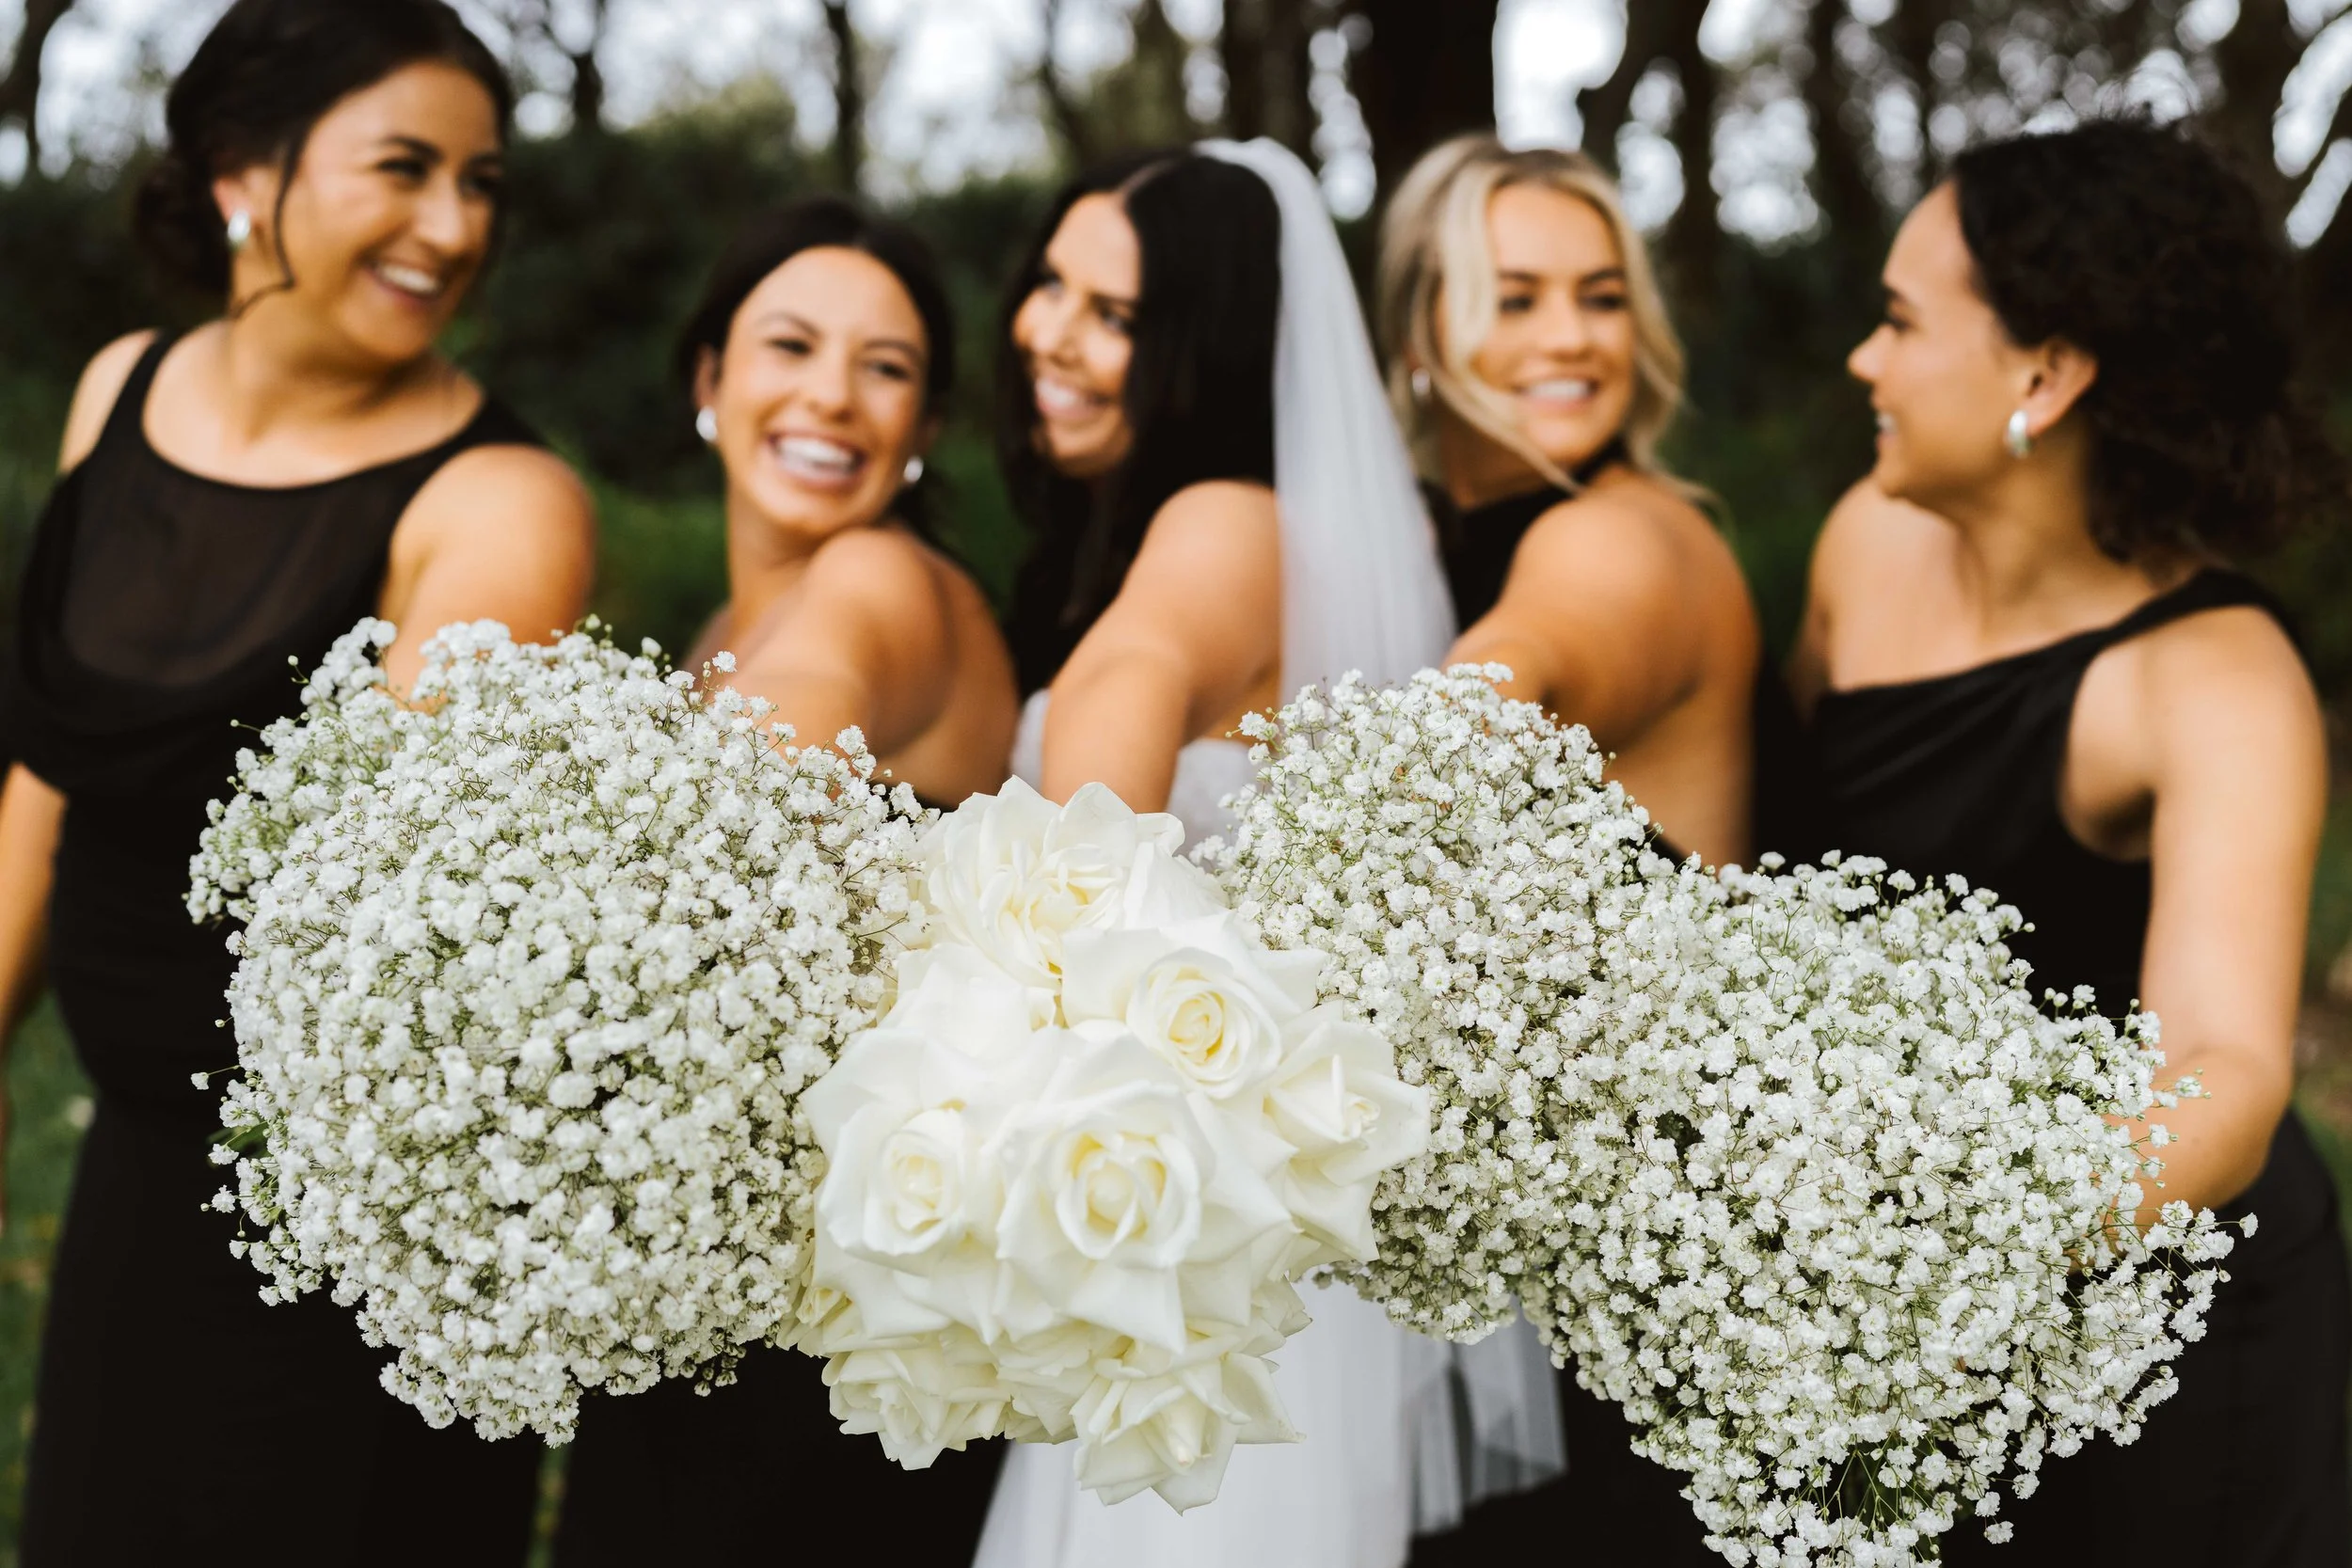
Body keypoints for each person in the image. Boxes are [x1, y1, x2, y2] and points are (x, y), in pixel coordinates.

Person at [0, 0, 596, 1560]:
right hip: (132, 1173)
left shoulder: (499, 505)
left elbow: (386, 959)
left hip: (329, 1231)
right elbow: (48, 766)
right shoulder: (117, 389)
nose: (454, 225)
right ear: (241, 174)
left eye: (481, 182)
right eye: (405, 168)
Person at [974, 137, 1561, 1568]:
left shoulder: (1227, 523)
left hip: (1193, 1241)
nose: (1052, 334)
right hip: (1201, 1220)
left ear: (1205, 344)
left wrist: (1027, 1034)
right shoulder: (1279, 539)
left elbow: (1117, 700)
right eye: (1052, 285)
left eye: (1113, 315)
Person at [1787, 117, 2351, 1563]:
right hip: (1870, 1294)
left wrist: (1953, 1256)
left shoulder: (2214, 680)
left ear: (2044, 374)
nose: (1865, 360)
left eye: (1904, 323)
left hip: (2160, 1330)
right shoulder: (1867, 538)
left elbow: (2221, 1065)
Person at [551, 197, 1015, 1566]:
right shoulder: (718, 630)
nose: (833, 396)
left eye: (888, 368)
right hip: (723, 1294)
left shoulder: (881, 581)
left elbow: (736, 806)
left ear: (927, 430)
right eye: (792, 345)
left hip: (831, 1349)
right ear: (710, 379)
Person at [1376, 134, 1756, 1566]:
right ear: (1419, 327)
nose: (1571, 338)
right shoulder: (1403, 542)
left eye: (1601, 295)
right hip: (1473, 1264)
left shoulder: (1631, 541)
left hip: (1634, 1287)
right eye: (1514, 295)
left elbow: (1495, 690)